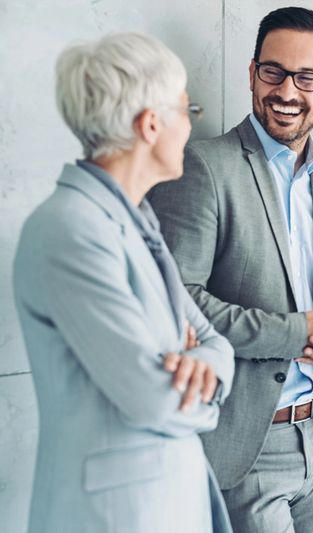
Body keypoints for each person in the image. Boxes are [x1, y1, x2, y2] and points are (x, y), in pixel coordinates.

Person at [147, 7, 313, 533]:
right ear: (252, 73)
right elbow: (177, 304)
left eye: (307, 78)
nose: (288, 91)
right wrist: (299, 333)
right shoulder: (203, 167)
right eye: (273, 72)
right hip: (241, 450)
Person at [12, 32, 234, 533]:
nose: (190, 125)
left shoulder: (136, 222)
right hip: (116, 517)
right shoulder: (71, 229)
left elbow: (215, 342)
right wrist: (206, 378)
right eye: (187, 109)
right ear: (151, 124)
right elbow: (155, 396)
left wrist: (203, 361)